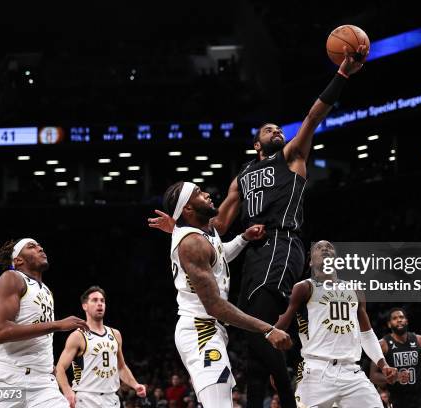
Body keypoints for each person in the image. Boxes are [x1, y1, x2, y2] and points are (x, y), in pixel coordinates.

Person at [149, 46, 367, 408]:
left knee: (260, 332)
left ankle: (292, 399)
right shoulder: (243, 175)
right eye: (268, 129)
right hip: (253, 253)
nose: (277, 130)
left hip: (282, 244)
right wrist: (179, 228)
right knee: (251, 344)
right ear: (256, 144)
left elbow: (314, 116)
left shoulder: (292, 156)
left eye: (279, 127)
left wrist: (342, 74)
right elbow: (215, 225)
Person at [161, 181, 292, 407]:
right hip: (200, 331)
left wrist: (243, 238)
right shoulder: (192, 243)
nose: (207, 194)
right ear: (188, 209)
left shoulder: (204, 231)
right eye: (199, 193)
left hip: (209, 328)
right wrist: (267, 329)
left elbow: (219, 258)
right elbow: (215, 306)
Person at [274, 240, 396, 407]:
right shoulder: (304, 287)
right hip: (316, 371)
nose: (325, 249)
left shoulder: (355, 289)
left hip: (351, 372)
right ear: (310, 261)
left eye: (329, 247)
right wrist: (274, 366)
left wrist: (384, 365)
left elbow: (366, 334)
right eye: (319, 247)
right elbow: (279, 330)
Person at [0, 238, 90, 408]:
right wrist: (58, 325)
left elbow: (40, 338)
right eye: (32, 246)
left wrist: (52, 371)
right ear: (18, 260)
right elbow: (1, 332)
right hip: (8, 379)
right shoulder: (11, 278)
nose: (40, 248)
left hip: (43, 383)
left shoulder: (45, 290)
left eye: (39, 245)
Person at [55, 286, 146, 407]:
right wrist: (67, 391)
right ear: (84, 306)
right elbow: (59, 368)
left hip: (112, 399)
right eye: (95, 300)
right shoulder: (78, 336)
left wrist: (135, 385)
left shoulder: (115, 334)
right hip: (86, 399)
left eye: (102, 301)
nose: (100, 304)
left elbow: (121, 367)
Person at [370, 308, 421, 408]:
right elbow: (373, 376)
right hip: (399, 398)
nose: (399, 320)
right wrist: (394, 377)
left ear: (406, 321)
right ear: (389, 324)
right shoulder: (382, 344)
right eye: (394, 318)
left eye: (401, 317)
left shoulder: (419, 340)